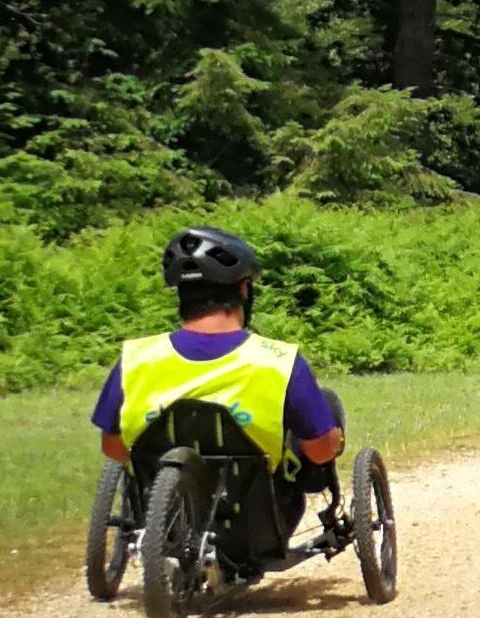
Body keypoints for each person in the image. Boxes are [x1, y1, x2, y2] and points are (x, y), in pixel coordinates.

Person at [90, 227, 346, 539]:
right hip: (259, 525)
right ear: (242, 290)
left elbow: (113, 446)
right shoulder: (279, 361)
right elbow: (320, 453)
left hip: (169, 521)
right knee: (325, 405)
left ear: (180, 293)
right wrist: (336, 442)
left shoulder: (135, 358)